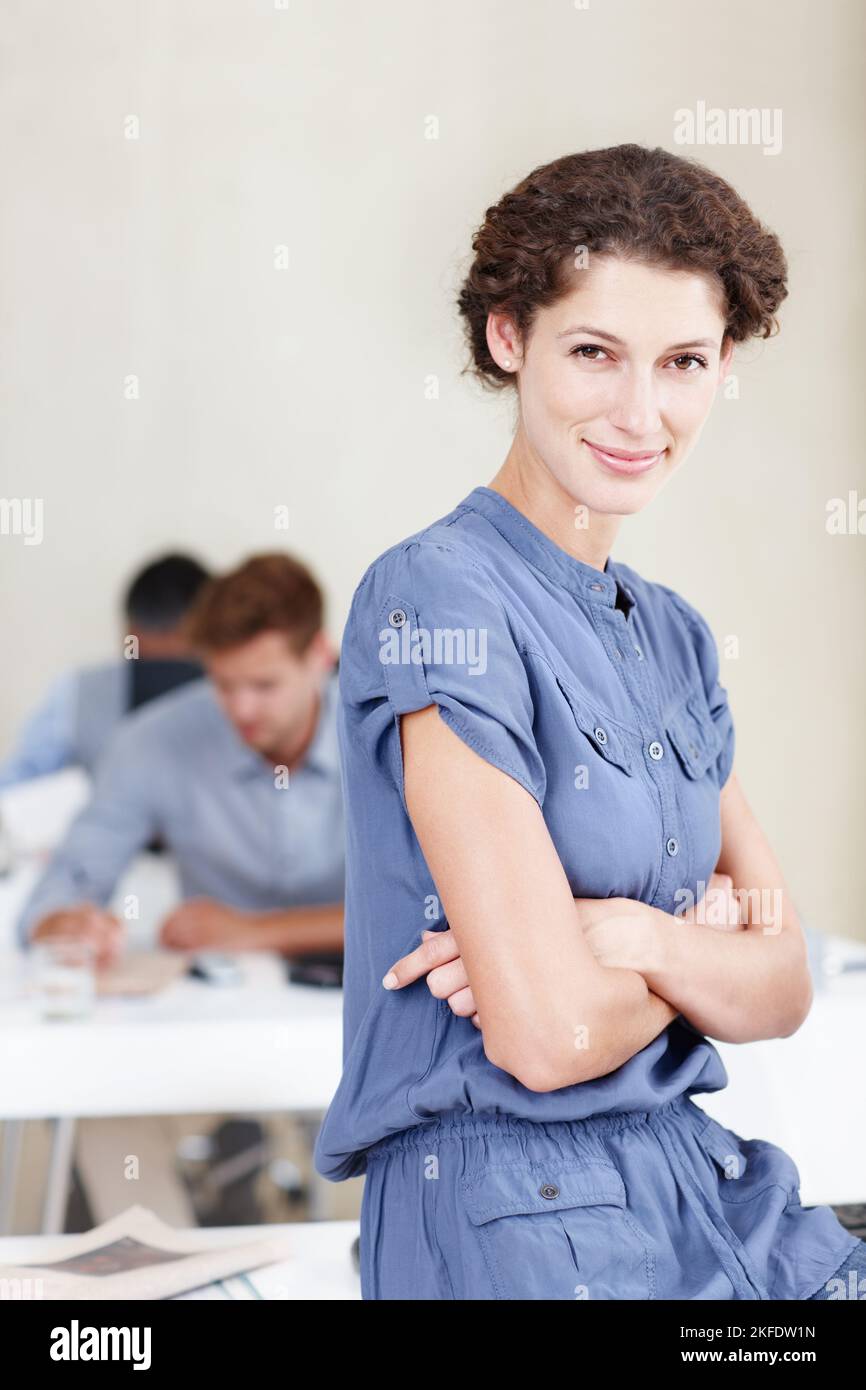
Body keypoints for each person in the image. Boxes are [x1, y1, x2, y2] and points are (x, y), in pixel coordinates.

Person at [313, 144, 865, 1300]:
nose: (639, 412)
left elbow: (785, 979)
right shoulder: (437, 596)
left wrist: (633, 937)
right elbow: (547, 1035)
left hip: (706, 1187)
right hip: (522, 1225)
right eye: (593, 354)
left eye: (681, 363)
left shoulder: (672, 636)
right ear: (507, 338)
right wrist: (695, 944)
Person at [16, 553, 344, 962]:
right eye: (224, 684)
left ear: (320, 656)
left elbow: (429, 914)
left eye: (264, 686)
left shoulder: (391, 737)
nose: (241, 709)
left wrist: (253, 931)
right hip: (218, 1009)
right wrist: (63, 923)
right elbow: (66, 884)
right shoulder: (151, 740)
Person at [0, 553, 210, 788]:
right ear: (127, 633)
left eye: (180, 667)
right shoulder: (78, 693)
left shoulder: (239, 697)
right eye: (141, 661)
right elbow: (15, 787)